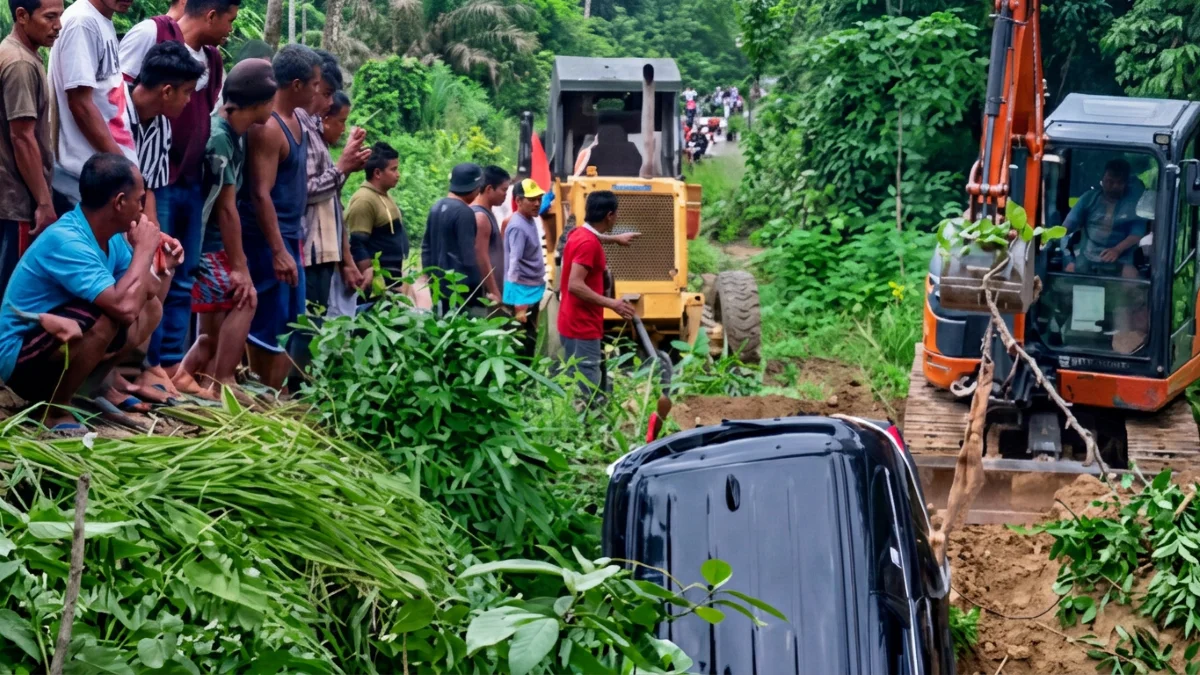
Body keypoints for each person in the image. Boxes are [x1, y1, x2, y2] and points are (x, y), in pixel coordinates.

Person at [0, 154, 182, 430]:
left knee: (151, 308)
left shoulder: (113, 240)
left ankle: (87, 390)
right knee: (107, 317)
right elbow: (123, 307)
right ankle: (54, 411)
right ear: (120, 202)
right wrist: (144, 252)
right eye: (140, 199)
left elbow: (147, 297)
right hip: (19, 358)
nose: (143, 209)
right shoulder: (67, 240)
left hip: (56, 345)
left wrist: (163, 266)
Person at [118, 0, 238, 398]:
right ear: (210, 14)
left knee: (177, 274)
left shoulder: (213, 61)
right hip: (138, 188)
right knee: (146, 275)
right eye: (230, 19)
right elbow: (124, 94)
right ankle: (136, 366)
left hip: (186, 180)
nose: (230, 29)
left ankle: (169, 364)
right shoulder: (153, 34)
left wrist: (156, 232)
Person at [178, 58, 275, 392]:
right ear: (260, 103)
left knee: (213, 329)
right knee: (245, 298)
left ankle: (192, 377)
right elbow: (226, 208)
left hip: (214, 243)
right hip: (208, 243)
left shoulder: (235, 133)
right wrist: (240, 266)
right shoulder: (220, 138)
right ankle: (224, 381)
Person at [239, 44, 320, 390]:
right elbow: (260, 192)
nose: (319, 91)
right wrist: (277, 249)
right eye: (316, 84)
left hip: (290, 234)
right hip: (267, 238)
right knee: (268, 319)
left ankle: (274, 391)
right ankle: (259, 392)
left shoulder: (299, 120)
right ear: (298, 85)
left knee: (292, 320)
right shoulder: (269, 128)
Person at [48, 0, 134, 215]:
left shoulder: (101, 20)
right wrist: (126, 167)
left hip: (105, 177)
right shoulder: (82, 22)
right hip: (85, 181)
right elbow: (80, 103)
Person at [0, 0, 62, 299]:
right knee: (14, 298)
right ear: (22, 16)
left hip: (13, 200)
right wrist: (44, 203)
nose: (58, 26)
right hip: (16, 202)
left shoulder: (17, 54)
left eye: (60, 16)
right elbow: (22, 137)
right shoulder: (20, 63)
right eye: (49, 17)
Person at [298, 53, 368, 313]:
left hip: (323, 252)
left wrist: (344, 168)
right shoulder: (300, 130)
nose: (328, 103)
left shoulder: (313, 131)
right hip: (309, 249)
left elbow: (332, 201)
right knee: (307, 329)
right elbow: (305, 191)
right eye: (325, 93)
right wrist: (342, 168)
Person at [558, 190, 636, 405]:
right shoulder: (589, 244)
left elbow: (590, 237)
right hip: (582, 325)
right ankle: (589, 430)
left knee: (574, 378)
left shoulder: (577, 234)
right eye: (616, 214)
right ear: (610, 215)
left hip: (568, 320)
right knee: (587, 387)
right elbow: (575, 285)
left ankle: (575, 423)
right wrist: (613, 304)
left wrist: (614, 239)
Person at [123, 41, 205, 210]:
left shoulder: (163, 127)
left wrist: (154, 231)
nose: (189, 101)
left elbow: (149, 189)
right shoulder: (112, 110)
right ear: (167, 91)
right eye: (187, 92)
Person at [1063, 158, 1147, 278]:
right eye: (1109, 181)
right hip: (1087, 252)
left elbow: (1137, 233)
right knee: (1068, 275)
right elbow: (1067, 227)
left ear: (1125, 183)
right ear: (1102, 180)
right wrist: (1068, 258)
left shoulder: (1133, 205)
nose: (1114, 186)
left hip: (1122, 255)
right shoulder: (1088, 199)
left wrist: (1117, 250)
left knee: (1132, 281)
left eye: (1119, 183)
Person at [421, 162, 485, 314]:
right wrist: (477, 288)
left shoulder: (436, 207)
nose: (478, 193)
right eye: (478, 188)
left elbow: (426, 247)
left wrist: (429, 275)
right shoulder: (464, 212)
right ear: (471, 187)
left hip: (438, 284)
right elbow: (467, 255)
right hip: (458, 287)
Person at [346, 142, 406, 290]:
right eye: (393, 169)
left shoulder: (384, 195)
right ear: (378, 173)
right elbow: (358, 244)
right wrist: (371, 278)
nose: (398, 175)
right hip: (376, 284)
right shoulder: (364, 200)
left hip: (390, 279)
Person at [504, 179, 547, 359]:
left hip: (531, 288)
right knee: (523, 339)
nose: (537, 203)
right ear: (518, 201)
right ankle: (522, 380)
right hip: (522, 290)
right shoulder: (518, 226)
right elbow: (514, 263)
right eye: (532, 199)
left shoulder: (528, 219)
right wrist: (518, 303)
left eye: (539, 198)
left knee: (531, 334)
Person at [471, 165, 511, 306]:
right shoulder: (480, 217)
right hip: (486, 295)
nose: (505, 195)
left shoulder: (488, 212)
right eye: (503, 190)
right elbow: (481, 256)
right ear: (489, 189)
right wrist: (494, 291)